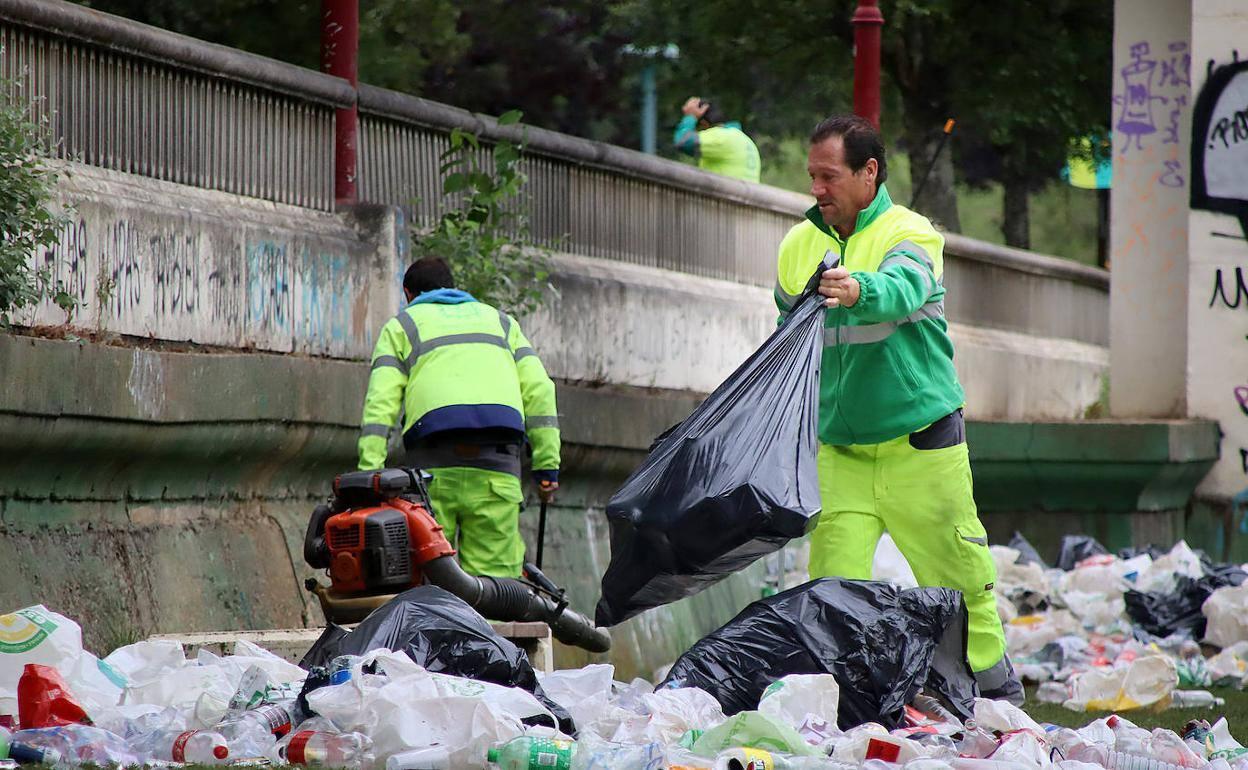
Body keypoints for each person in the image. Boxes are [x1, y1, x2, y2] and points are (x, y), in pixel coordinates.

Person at [773, 114, 1021, 704]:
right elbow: (785, 340)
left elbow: (905, 286)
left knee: (959, 576)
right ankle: (846, 703)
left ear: (869, 172)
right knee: (833, 590)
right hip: (840, 451)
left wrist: (860, 289)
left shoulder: (911, 234)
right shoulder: (796, 245)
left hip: (921, 442)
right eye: (812, 176)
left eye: (829, 176)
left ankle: (994, 692)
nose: (817, 189)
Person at [357, 257, 560, 579]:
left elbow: (380, 404)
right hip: (498, 467)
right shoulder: (501, 323)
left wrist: (369, 475)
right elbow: (540, 391)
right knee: (498, 589)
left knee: (432, 577)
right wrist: (546, 468)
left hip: (432, 470)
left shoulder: (403, 326)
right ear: (453, 287)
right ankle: (489, 629)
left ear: (408, 294)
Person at [673, 96, 761, 183]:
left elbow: (683, 142)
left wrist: (690, 117)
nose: (697, 135)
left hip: (726, 195)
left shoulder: (720, 137)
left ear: (704, 124)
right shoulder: (744, 139)